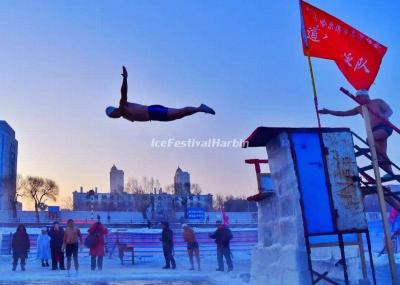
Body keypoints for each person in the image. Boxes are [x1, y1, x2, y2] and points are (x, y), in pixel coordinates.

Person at [319, 89, 394, 177]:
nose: (358, 101)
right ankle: (390, 173)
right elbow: (344, 113)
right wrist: (329, 112)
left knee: (370, 139)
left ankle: (381, 159)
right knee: (381, 153)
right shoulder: (360, 108)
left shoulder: (377, 101)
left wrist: (384, 116)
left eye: (359, 98)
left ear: (365, 96)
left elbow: (390, 111)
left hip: (384, 126)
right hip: (373, 130)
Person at [105, 66, 215, 122]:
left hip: (153, 111)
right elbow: (134, 117)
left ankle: (200, 108)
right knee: (180, 115)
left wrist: (125, 78)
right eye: (112, 117)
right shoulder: (124, 116)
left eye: (112, 116)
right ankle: (200, 108)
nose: (114, 118)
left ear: (114, 111)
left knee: (179, 113)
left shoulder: (122, 106)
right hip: (155, 116)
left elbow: (123, 92)